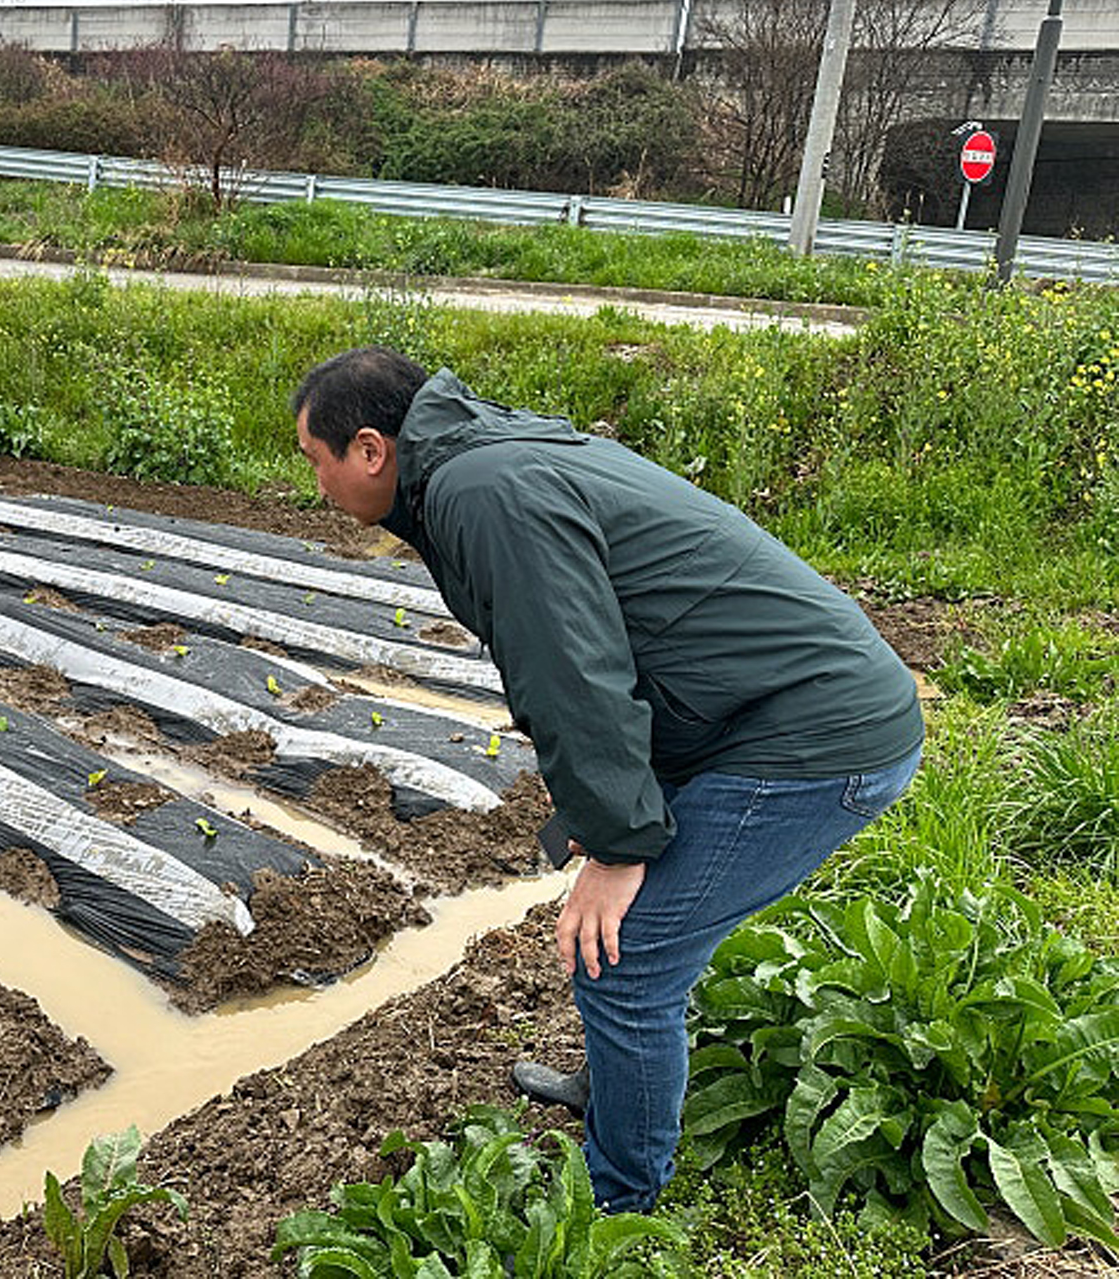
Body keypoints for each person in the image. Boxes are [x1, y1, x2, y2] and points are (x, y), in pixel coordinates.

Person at [290, 346, 923, 1213]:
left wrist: (621, 846)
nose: (314, 486)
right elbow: (625, 646)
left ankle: (619, 1204)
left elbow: (573, 673)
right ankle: (621, 1094)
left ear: (369, 449)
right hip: (766, 712)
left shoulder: (483, 493)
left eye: (313, 462)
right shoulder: (481, 466)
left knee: (627, 960)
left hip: (818, 738)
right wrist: (612, 809)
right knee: (637, 937)